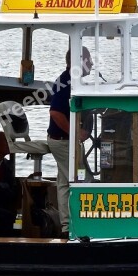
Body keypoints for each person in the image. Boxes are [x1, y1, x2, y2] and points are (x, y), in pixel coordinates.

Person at [47, 46, 93, 234]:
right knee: (82, 179)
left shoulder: (73, 81)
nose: (91, 63)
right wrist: (76, 133)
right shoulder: (65, 81)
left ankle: (66, 226)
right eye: (88, 60)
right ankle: (83, 225)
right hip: (63, 141)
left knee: (64, 183)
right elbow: (56, 113)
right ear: (78, 61)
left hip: (62, 140)